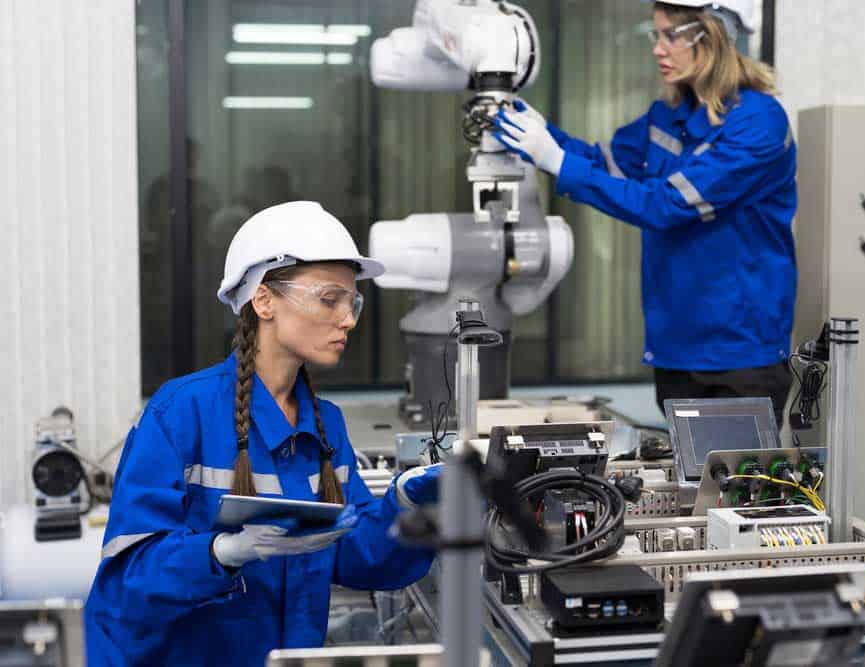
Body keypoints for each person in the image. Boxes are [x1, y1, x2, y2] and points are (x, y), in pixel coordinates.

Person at [85, 201, 442, 666]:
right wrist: (223, 552)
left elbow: (356, 553)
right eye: (329, 299)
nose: (348, 319)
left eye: (352, 301)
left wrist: (408, 506)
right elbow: (128, 581)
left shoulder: (324, 424)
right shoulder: (180, 414)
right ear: (264, 300)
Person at [494, 1, 797, 427]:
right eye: (655, 35)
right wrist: (544, 136)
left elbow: (665, 205)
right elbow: (606, 162)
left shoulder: (757, 123)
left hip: (738, 355)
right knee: (689, 487)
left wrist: (555, 159)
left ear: (713, 36)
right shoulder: (669, 117)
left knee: (728, 490)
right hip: (676, 348)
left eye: (670, 35)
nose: (658, 49)